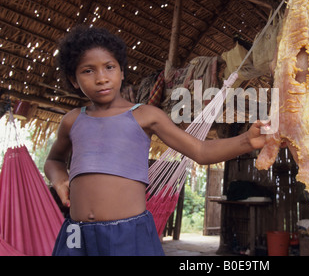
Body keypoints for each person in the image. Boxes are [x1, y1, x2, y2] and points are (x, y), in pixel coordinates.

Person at [44, 26, 268, 256]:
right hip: (76, 234)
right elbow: (53, 160)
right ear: (73, 79)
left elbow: (200, 150)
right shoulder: (72, 121)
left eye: (109, 67)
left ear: (122, 72)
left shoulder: (146, 115)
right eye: (88, 71)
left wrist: (246, 141)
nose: (101, 78)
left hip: (129, 233)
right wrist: (60, 179)